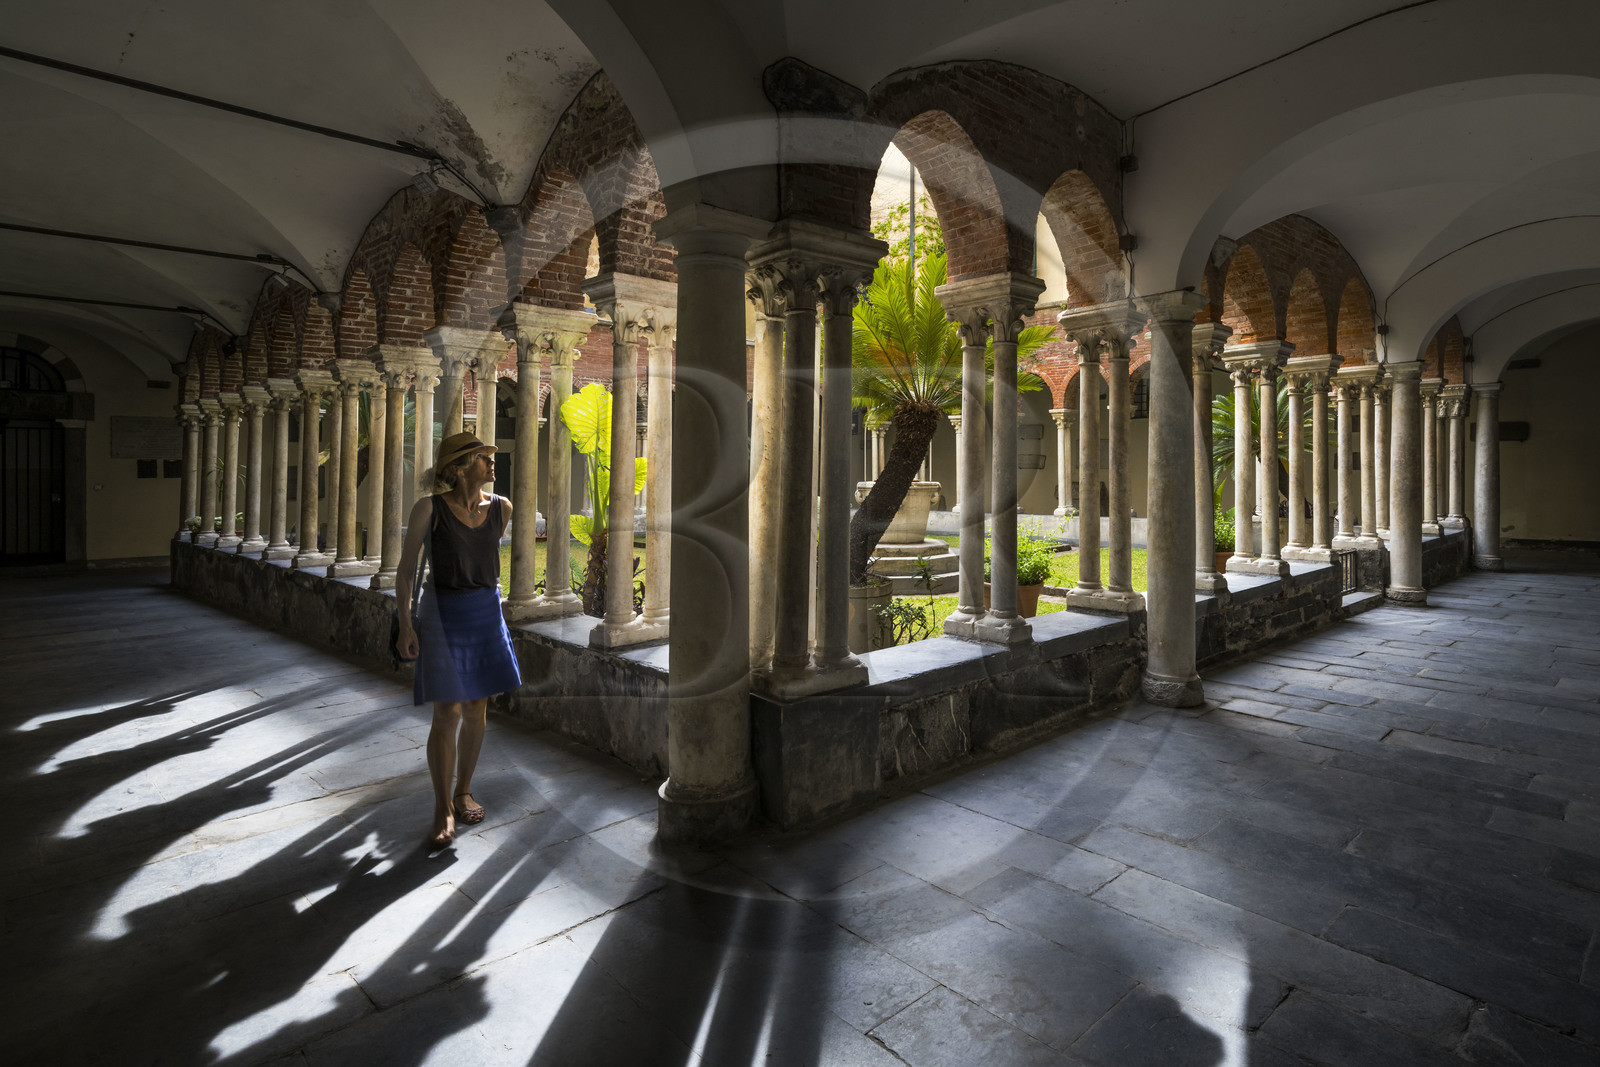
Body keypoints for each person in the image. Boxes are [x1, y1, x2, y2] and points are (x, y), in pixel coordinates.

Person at [396, 431, 522, 848]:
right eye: (484, 457)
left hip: (485, 612)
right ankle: (442, 808)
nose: (492, 462)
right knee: (446, 712)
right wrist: (406, 625)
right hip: (442, 611)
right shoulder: (429, 510)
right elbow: (403, 570)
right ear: (460, 467)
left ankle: (463, 790)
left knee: (476, 707)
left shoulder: (502, 508)